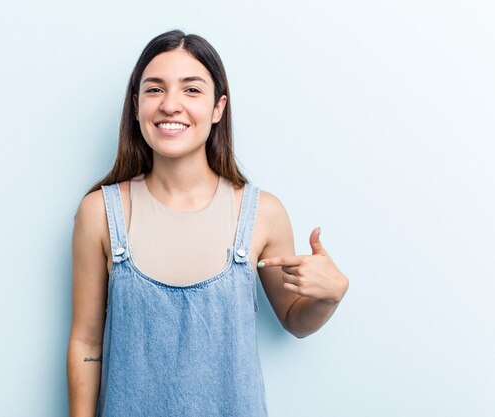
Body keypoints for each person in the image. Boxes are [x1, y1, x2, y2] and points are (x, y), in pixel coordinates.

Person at [67, 29, 349, 417]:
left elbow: (295, 320)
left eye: (191, 90)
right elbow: (86, 344)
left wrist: (328, 296)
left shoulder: (262, 213)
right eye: (154, 89)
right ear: (135, 106)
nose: (170, 105)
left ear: (218, 108)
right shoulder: (99, 213)